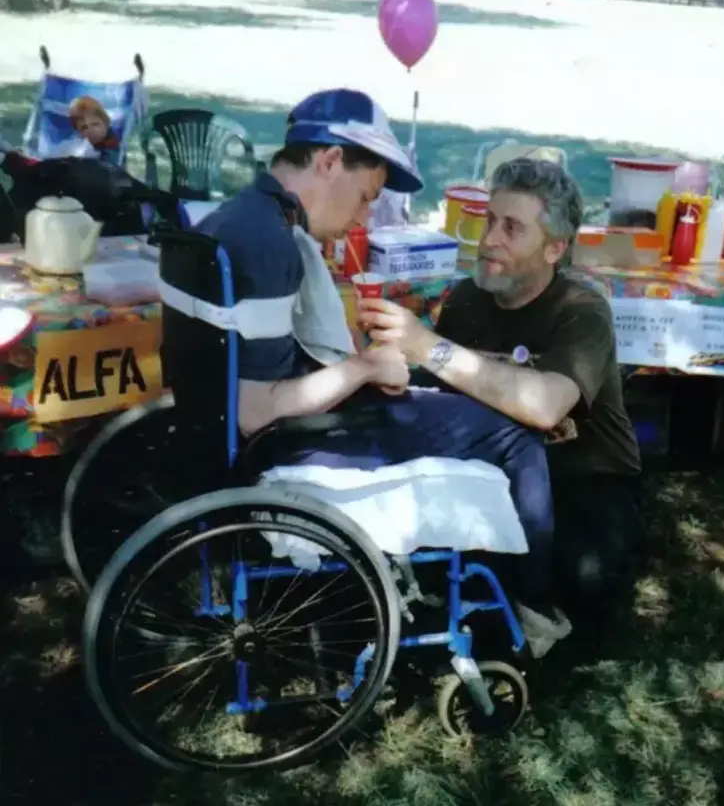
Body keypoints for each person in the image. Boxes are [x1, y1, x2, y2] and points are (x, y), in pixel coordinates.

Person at [196, 89, 571, 657]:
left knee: (446, 401)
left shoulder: (233, 215)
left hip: (239, 429)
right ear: (328, 161)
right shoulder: (270, 240)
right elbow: (256, 411)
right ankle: (531, 609)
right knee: (515, 431)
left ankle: (475, 579)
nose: (363, 217)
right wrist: (364, 366)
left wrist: (364, 373)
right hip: (289, 443)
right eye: (367, 198)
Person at [360, 157, 644, 632]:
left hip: (585, 473)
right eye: (490, 221)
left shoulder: (582, 310)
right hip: (497, 466)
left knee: (584, 582)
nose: (489, 239)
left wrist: (426, 345)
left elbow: (546, 406)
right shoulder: (469, 300)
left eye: (512, 228)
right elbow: (447, 389)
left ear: (554, 248)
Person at [68, 96, 122, 165]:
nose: (91, 130)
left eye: (95, 124)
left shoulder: (113, 144)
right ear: (79, 132)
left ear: (105, 123)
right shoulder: (80, 142)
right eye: (84, 127)